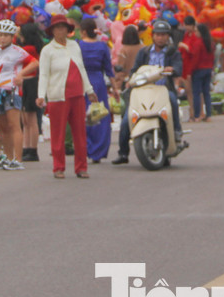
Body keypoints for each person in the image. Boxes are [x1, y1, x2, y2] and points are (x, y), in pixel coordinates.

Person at [35, 18, 100, 178]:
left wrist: (89, 90)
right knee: (58, 134)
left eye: (63, 28)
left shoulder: (74, 46)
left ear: (67, 30)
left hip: (77, 94)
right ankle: (58, 167)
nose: (60, 31)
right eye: (57, 28)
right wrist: (41, 95)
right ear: (52, 31)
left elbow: (81, 69)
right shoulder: (48, 50)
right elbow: (44, 74)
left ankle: (81, 167)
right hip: (58, 96)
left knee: (80, 133)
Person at [113, 20, 184, 165]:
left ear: (168, 36)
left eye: (163, 35)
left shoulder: (173, 52)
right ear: (153, 36)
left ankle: (177, 131)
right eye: (158, 35)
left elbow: (179, 68)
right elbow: (135, 69)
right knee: (127, 119)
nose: (160, 38)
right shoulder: (143, 52)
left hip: (163, 90)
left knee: (172, 100)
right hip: (143, 91)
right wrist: (130, 79)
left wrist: (172, 69)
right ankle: (123, 153)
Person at [0, 19, 35, 170]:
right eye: (0, 35)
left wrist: (21, 75)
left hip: (12, 91)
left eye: (6, 35)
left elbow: (34, 62)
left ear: (12, 36)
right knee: (3, 127)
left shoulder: (17, 51)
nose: (2, 38)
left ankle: (18, 160)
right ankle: (8, 157)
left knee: (14, 125)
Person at [77, 17, 115, 163]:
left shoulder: (78, 45)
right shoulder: (102, 46)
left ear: (83, 31)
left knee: (82, 115)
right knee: (99, 115)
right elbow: (109, 70)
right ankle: (98, 151)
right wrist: (115, 89)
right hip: (98, 83)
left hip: (81, 82)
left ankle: (85, 148)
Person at [18, 21, 47, 162]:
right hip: (31, 82)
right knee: (29, 118)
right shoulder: (36, 48)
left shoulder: (27, 49)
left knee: (29, 118)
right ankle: (29, 148)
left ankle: (30, 148)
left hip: (28, 82)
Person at [180, 16, 215, 123]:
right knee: (206, 93)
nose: (195, 33)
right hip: (208, 69)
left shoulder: (198, 43)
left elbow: (195, 58)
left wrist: (190, 71)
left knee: (196, 93)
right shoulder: (210, 43)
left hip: (198, 70)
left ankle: (196, 115)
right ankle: (208, 115)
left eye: (196, 31)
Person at [113, 25, 144, 92]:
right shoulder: (143, 48)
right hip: (142, 80)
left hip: (128, 82)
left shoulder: (123, 50)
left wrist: (117, 86)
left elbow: (120, 69)